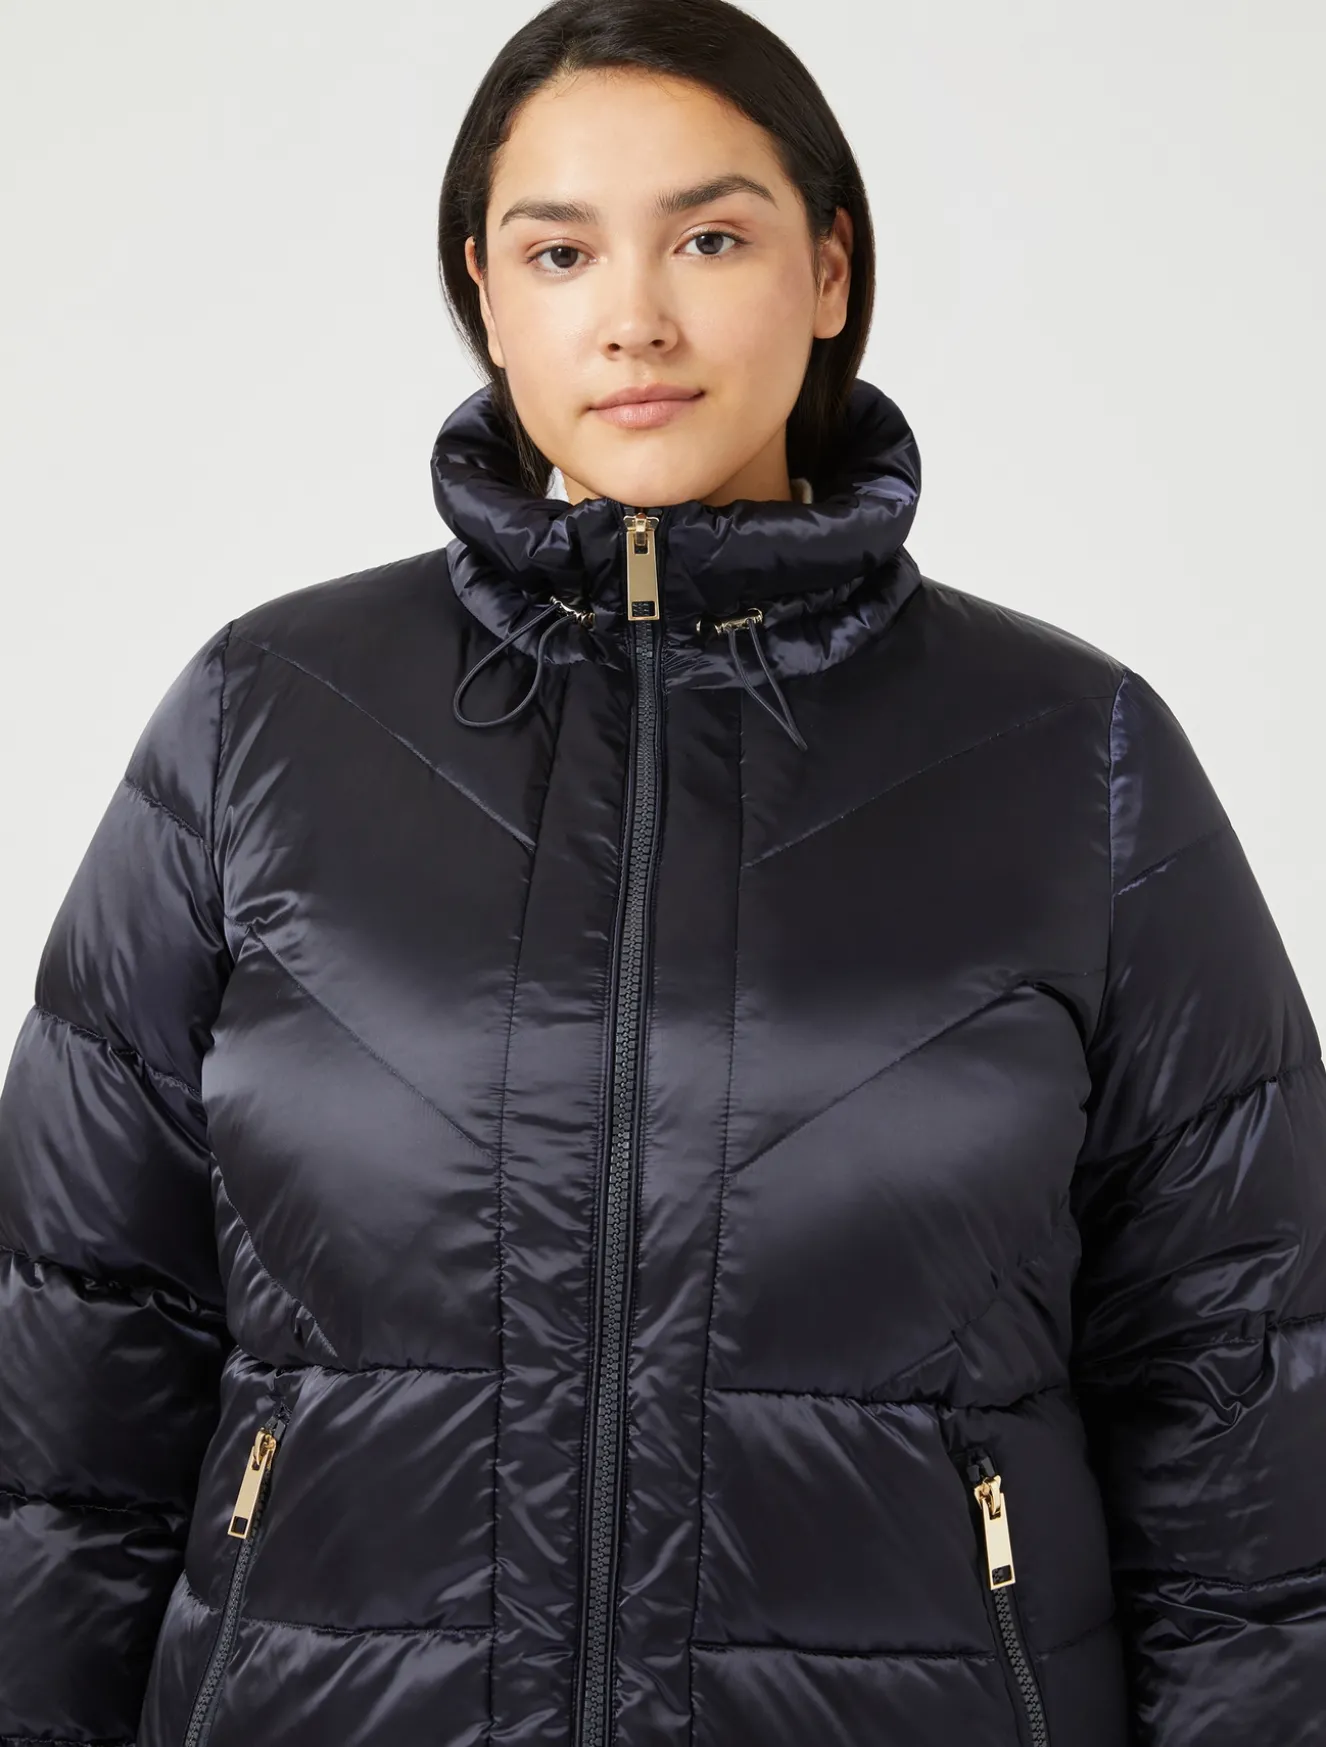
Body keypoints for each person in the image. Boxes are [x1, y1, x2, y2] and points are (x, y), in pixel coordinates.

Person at [1, 0, 1323, 1743]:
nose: (634, 316)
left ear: (829, 268)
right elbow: (71, 1366)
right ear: (486, 292)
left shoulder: (1075, 753)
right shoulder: (266, 718)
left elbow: (1248, 1392)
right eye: (559, 251)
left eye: (710, 237)